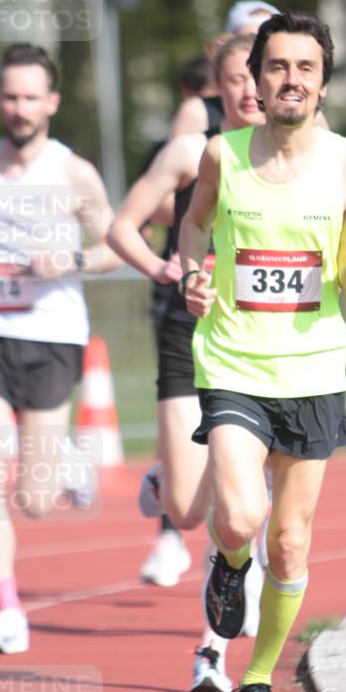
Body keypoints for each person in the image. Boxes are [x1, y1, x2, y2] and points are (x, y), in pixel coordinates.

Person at [179, 10, 346, 692]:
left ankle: (259, 686)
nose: (290, 79)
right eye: (277, 67)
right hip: (233, 359)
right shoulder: (221, 155)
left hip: (312, 371)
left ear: (323, 81)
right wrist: (189, 276)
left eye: (305, 67)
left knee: (292, 542)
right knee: (240, 517)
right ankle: (227, 560)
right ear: (257, 81)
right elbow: (193, 226)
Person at [108, 35, 267, 692]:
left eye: (256, 78)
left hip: (258, 346)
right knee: (184, 505)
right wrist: (160, 266)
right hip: (185, 333)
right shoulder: (189, 151)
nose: (248, 91)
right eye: (234, 80)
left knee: (245, 506)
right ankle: (165, 474)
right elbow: (122, 226)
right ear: (216, 86)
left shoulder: (297, 156)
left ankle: (213, 651)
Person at [0, 43, 124, 654]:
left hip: (50, 338)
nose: (19, 108)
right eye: (9, 96)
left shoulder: (74, 172)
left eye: (30, 97)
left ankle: (66, 464)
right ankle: (6, 609)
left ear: (50, 102)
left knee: (36, 500)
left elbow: (117, 245)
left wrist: (70, 258)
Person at [139, 52, 223, 588]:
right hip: (186, 297)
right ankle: (170, 508)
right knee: (191, 500)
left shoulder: (294, 126)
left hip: (253, 316)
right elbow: (165, 200)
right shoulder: (196, 119)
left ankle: (245, 575)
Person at [169, 1, 279, 139]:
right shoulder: (198, 114)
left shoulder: (299, 116)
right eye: (244, 40)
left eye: (263, 41)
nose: (252, 50)